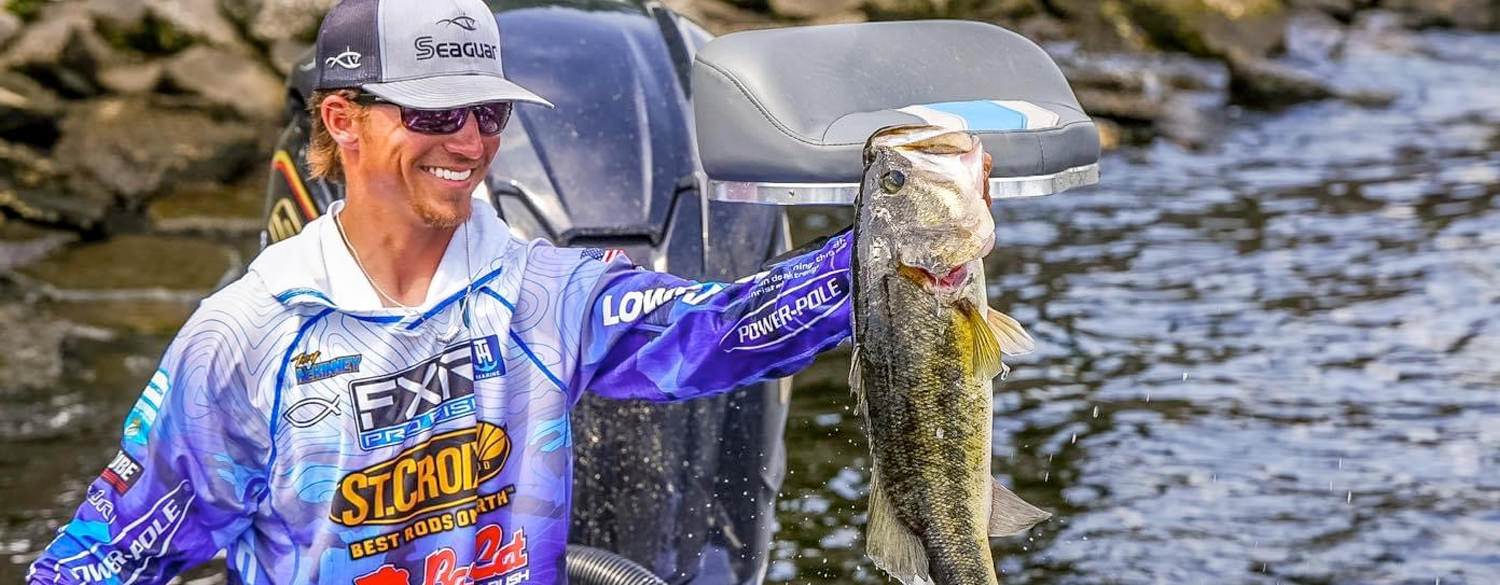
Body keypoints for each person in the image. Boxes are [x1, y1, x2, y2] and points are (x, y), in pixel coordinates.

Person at [26, 0, 853, 582]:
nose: (469, 141)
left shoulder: (541, 294)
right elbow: (106, 554)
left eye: (488, 112)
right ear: (344, 121)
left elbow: (720, 333)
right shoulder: (243, 337)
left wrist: (888, 253)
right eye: (434, 114)